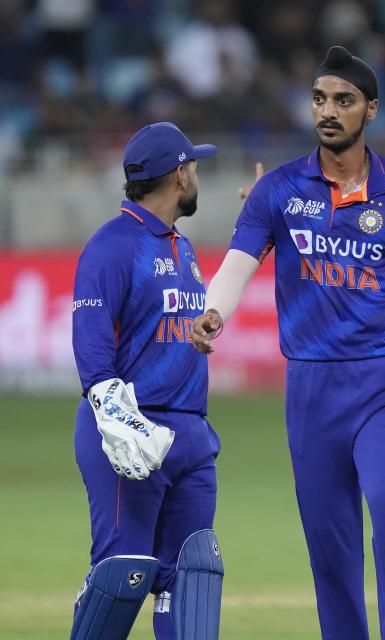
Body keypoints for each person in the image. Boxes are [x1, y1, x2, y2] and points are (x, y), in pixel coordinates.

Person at [189, 46, 385, 640]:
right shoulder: (281, 189)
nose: (328, 110)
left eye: (343, 100)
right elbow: (240, 261)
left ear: (370, 110)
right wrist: (214, 311)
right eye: (320, 98)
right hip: (312, 391)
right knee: (331, 549)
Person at [70, 122, 223, 640]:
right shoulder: (112, 245)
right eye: (195, 165)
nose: (197, 173)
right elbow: (91, 344)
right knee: (124, 573)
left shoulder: (182, 247)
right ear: (180, 175)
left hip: (191, 437)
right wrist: (115, 417)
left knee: (195, 571)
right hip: (130, 434)